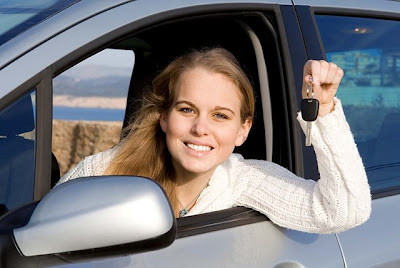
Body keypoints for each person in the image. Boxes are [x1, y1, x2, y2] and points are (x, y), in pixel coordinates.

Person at [56, 48, 371, 234]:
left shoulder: (244, 180)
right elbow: (44, 232)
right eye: (186, 109)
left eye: (220, 116)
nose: (200, 128)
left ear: (242, 131)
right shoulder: (108, 170)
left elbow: (344, 211)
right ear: (164, 117)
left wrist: (325, 111)